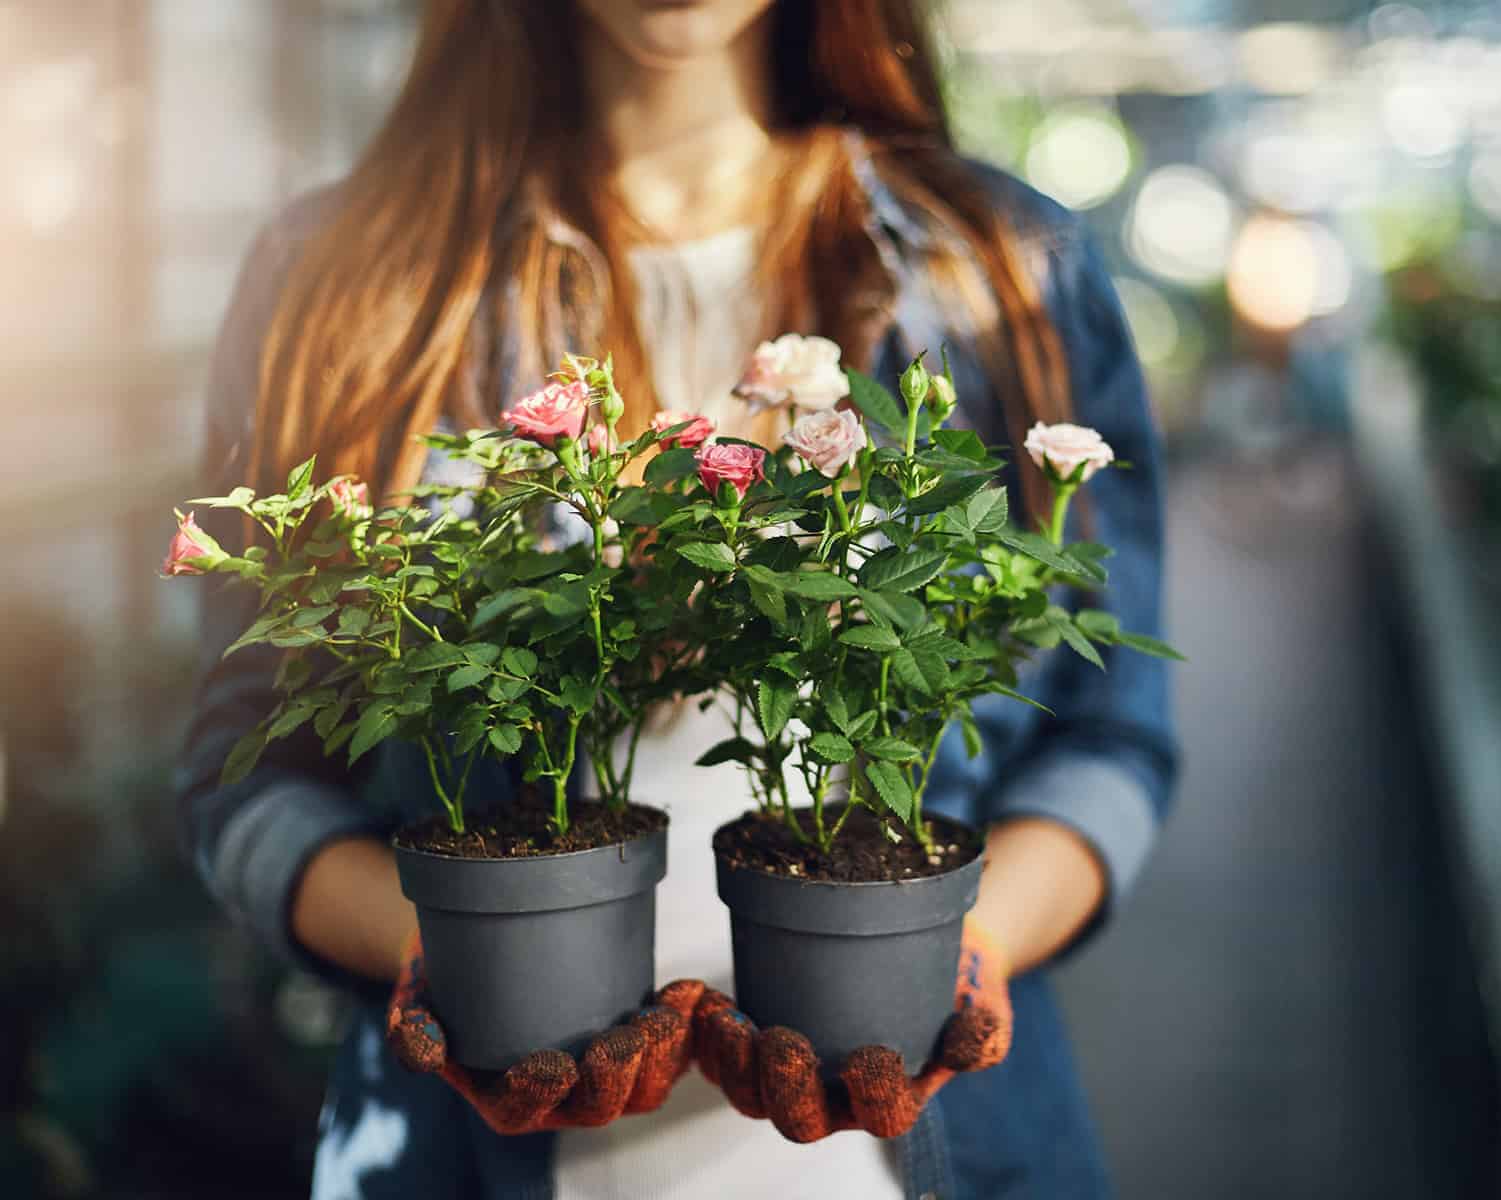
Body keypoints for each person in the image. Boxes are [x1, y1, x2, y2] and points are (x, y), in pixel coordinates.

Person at [176, 1, 1176, 1197]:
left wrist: (967, 950)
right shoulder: (344, 279)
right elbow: (244, 771)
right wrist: (445, 957)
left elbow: (1112, 741)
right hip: (457, 1164)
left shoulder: (1004, 269)